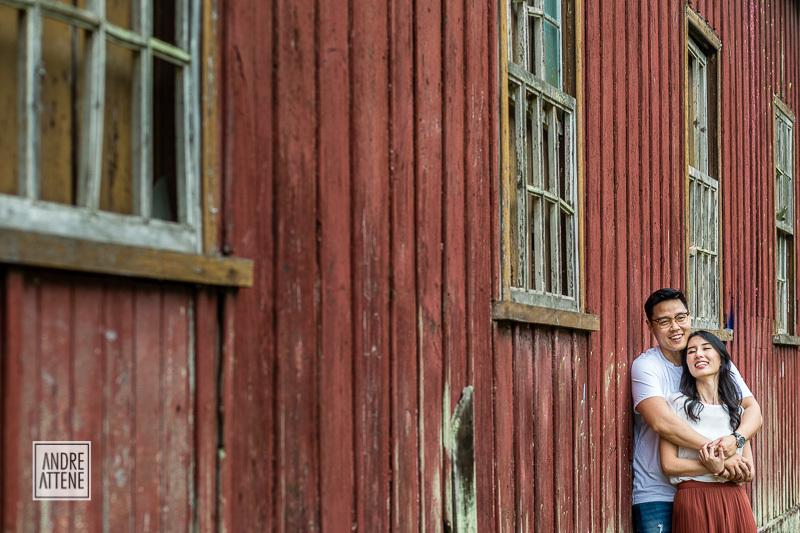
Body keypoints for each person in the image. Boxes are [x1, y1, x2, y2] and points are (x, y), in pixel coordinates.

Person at [631, 288, 762, 533]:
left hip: (719, 487)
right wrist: (723, 456)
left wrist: (737, 439)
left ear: (689, 317)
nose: (675, 327)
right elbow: (663, 423)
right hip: (657, 492)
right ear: (650, 326)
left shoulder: (717, 363)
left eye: (680, 318)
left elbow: (752, 409)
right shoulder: (647, 366)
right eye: (664, 321)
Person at [660, 330, 757, 532]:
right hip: (694, 500)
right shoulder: (676, 404)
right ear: (686, 363)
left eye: (706, 348)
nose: (698, 355)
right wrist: (716, 467)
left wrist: (719, 468)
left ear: (722, 360)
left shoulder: (737, 411)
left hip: (735, 501)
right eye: (691, 351)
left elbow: (749, 472)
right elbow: (669, 465)